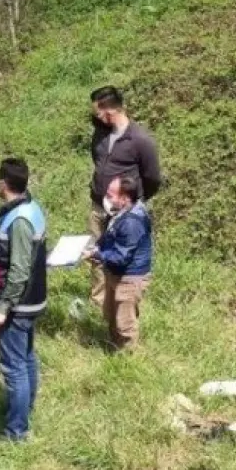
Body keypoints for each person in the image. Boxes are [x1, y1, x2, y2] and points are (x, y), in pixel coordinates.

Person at [0, 157, 47, 442]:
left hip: (18, 306)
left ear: (4, 184)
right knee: (26, 358)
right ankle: (24, 408)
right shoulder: (31, 208)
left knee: (14, 366)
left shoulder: (19, 220)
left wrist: (3, 308)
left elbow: (19, 270)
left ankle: (16, 432)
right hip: (30, 301)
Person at [87, 86, 162, 307]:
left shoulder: (140, 140)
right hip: (98, 205)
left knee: (118, 257)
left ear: (108, 110)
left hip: (122, 212)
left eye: (96, 111)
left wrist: (132, 203)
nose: (94, 116)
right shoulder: (100, 133)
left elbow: (152, 178)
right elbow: (98, 162)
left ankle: (121, 302)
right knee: (95, 255)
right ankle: (98, 302)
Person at [83, 175, 153, 351]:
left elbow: (121, 256)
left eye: (111, 195)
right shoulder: (121, 213)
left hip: (129, 278)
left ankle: (129, 359)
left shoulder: (131, 222)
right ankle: (115, 347)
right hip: (116, 273)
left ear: (125, 198)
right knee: (111, 315)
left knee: (125, 323)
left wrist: (98, 254)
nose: (106, 199)